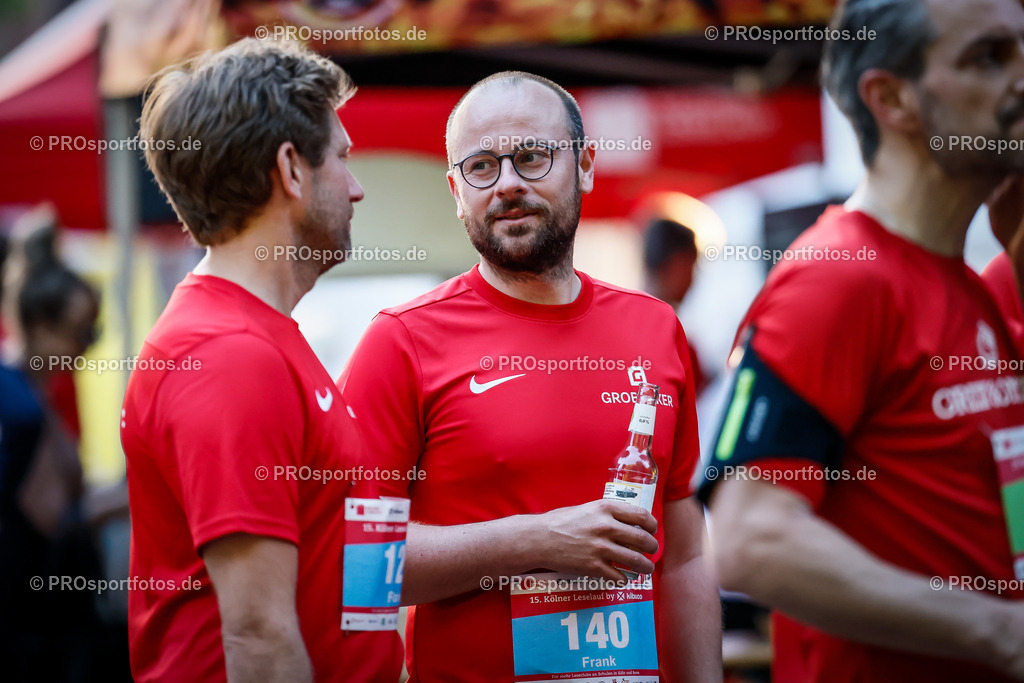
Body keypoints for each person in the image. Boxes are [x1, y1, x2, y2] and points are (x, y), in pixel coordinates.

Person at [339, 71, 721, 682]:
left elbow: (684, 556)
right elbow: (355, 564)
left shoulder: (656, 330)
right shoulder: (402, 341)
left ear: (586, 165)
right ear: (455, 191)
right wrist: (535, 539)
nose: (508, 184)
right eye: (481, 167)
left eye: (532, 156)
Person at [697, 0, 1024, 681]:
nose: (1020, 78)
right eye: (989, 58)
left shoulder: (965, 281)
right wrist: (1002, 632)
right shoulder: (839, 277)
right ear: (892, 98)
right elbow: (751, 538)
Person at [120, 39, 401, 682]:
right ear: (291, 171)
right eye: (341, 159)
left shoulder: (249, 337)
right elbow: (260, 636)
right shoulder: (230, 358)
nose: (356, 189)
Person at [642, 218, 708, 395]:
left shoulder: (620, 325)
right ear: (677, 264)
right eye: (693, 267)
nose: (694, 279)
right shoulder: (678, 344)